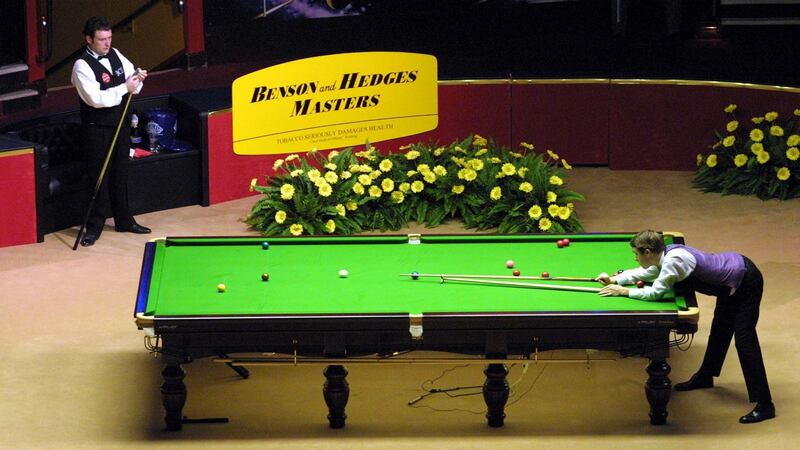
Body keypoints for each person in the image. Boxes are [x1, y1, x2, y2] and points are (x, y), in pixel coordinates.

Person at [596, 230, 774, 424]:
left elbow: (655, 293)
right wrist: (615, 280)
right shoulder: (665, 254)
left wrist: (624, 292)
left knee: (745, 341)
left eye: (636, 255)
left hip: (746, 282)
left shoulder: (674, 261)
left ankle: (765, 405)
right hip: (731, 280)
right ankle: (705, 376)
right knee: (720, 330)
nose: (635, 258)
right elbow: (648, 272)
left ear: (648, 252)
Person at [71, 16, 150, 246]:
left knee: (120, 174)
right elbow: (96, 99)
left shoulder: (116, 54)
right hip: (98, 130)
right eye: (102, 39)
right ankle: (94, 227)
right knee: (98, 178)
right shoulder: (81, 66)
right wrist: (125, 87)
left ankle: (124, 221)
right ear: (89, 40)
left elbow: (133, 79)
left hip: (121, 125)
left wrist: (137, 80)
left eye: (109, 38)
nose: (107, 44)